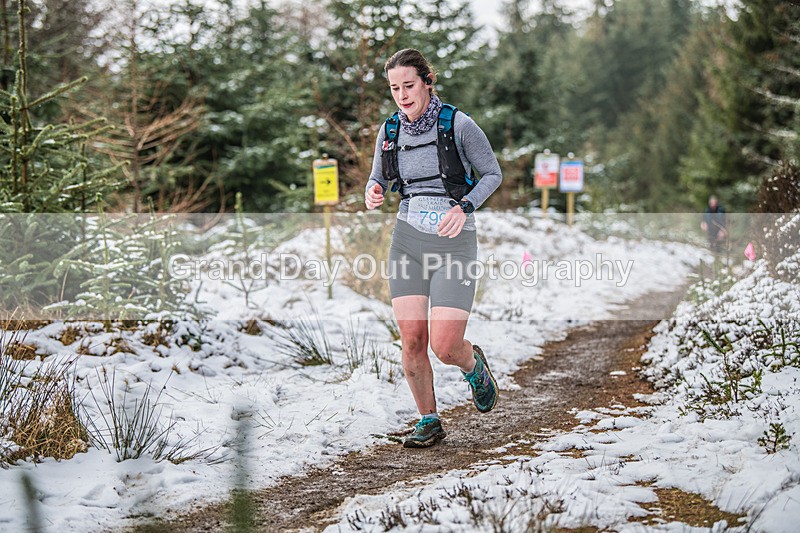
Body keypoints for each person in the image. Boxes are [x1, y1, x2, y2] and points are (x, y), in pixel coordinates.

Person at [364, 49, 503, 448]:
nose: (402, 95)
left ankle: (473, 366)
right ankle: (429, 419)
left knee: (444, 345)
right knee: (411, 340)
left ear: (427, 81)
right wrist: (373, 191)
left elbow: (492, 174)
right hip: (407, 240)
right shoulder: (390, 131)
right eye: (395, 88)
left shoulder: (458, 124)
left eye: (409, 85)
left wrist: (465, 206)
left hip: (454, 241)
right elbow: (378, 180)